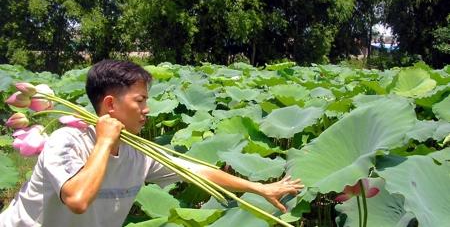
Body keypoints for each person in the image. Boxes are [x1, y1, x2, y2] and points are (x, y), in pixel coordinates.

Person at [0, 60, 303, 227]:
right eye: (140, 101)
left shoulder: (139, 151)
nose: (147, 109)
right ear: (110, 105)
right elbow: (78, 200)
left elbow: (196, 171)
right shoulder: (65, 141)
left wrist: (260, 188)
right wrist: (105, 141)